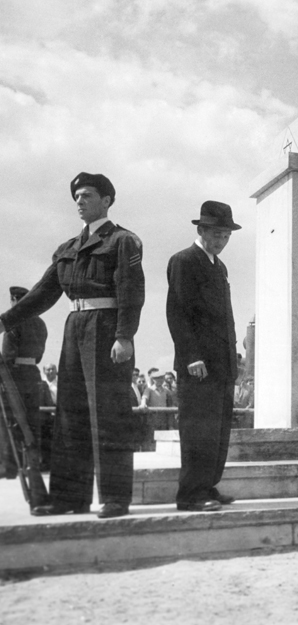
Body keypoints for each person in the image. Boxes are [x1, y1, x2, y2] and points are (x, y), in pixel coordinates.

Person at [0, 172, 145, 518]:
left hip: (107, 329)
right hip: (74, 328)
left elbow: (131, 290)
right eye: (77, 196)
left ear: (107, 200)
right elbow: (42, 294)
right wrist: (5, 321)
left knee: (108, 416)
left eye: (88, 195)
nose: (80, 201)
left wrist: (124, 336)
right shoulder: (68, 249)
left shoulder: (123, 241)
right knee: (70, 414)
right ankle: (69, 498)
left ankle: (114, 498)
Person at [166, 201, 240, 512]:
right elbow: (177, 313)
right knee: (198, 430)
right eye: (216, 234)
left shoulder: (218, 266)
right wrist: (191, 356)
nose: (221, 241)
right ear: (201, 230)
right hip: (198, 366)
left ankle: (208, 485)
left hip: (221, 365)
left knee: (217, 431)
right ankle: (191, 494)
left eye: (226, 236)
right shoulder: (185, 260)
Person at [0, 286, 49, 479]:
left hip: (15, 377)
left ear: (14, 300)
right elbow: (38, 356)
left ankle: (9, 465)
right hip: (33, 375)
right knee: (32, 422)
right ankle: (32, 464)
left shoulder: (12, 323)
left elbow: (7, 357)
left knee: (8, 421)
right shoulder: (41, 323)